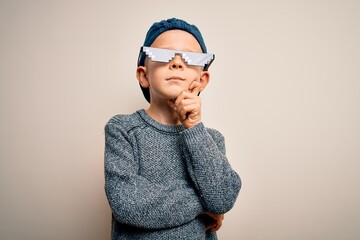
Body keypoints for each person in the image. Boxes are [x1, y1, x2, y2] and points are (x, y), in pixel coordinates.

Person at [104, 18, 241, 240]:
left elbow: (223, 198)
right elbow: (127, 204)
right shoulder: (123, 129)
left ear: (203, 79)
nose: (177, 63)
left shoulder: (211, 140)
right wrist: (204, 199)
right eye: (162, 55)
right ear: (144, 75)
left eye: (190, 58)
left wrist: (193, 126)